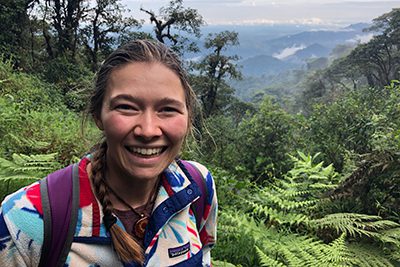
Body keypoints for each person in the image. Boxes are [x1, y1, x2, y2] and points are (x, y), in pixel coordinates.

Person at [0, 39, 217, 266]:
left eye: (168, 110)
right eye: (126, 107)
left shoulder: (197, 187)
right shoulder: (23, 221)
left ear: (188, 117)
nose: (148, 130)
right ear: (98, 114)